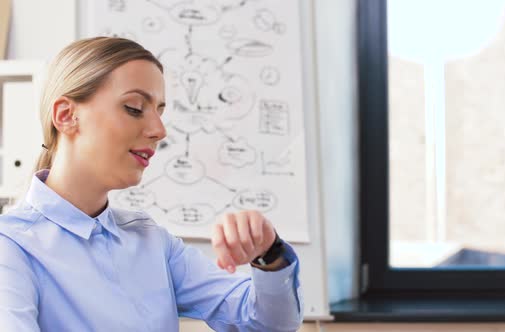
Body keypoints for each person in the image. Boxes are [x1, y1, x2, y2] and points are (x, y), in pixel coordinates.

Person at [0, 37, 303, 331]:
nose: (159, 130)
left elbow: (267, 324)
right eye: (134, 108)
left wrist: (269, 253)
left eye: (160, 112)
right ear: (66, 116)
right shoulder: (12, 246)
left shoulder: (151, 242)